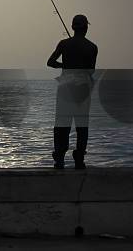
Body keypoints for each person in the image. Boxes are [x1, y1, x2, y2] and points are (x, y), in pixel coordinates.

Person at [47, 14, 98, 169]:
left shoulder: (63, 44)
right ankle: (79, 159)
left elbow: (50, 62)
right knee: (82, 126)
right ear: (86, 28)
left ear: (72, 27)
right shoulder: (92, 47)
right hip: (82, 91)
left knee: (62, 125)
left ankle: (60, 158)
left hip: (65, 90)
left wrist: (65, 65)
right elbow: (91, 71)